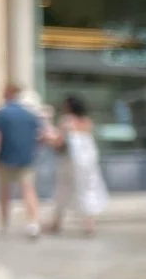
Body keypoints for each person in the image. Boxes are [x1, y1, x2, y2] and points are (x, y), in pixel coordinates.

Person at [46, 95, 108, 236]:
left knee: (63, 189)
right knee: (87, 189)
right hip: (88, 161)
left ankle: (56, 223)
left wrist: (48, 138)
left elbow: (59, 142)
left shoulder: (67, 121)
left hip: (70, 161)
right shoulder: (87, 122)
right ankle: (89, 225)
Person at [0, 84, 41, 237]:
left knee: (4, 192)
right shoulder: (30, 114)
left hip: (5, 158)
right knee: (28, 191)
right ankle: (33, 224)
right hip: (25, 158)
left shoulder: (1, 114)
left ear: (7, 94)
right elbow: (39, 136)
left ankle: (4, 224)